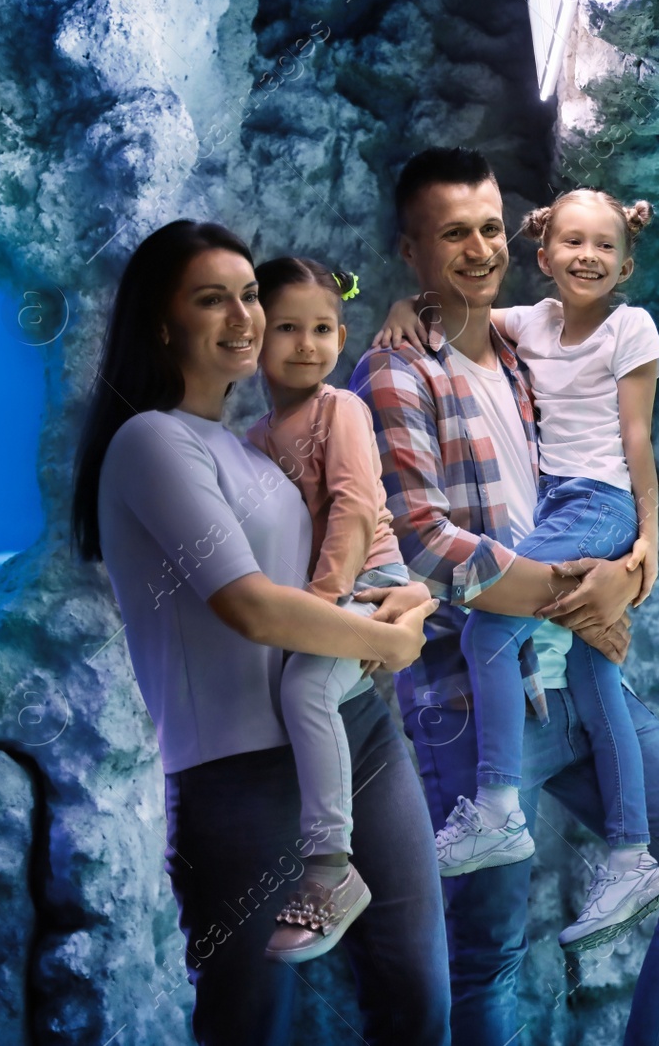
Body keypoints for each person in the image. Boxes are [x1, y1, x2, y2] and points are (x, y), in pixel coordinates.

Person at [352, 147, 659, 1045]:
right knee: (487, 956)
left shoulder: (523, 342)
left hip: (570, 678)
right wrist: (585, 600)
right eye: (452, 233)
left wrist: (631, 575)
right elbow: (428, 541)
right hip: (470, 695)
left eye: (491, 225)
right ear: (410, 250)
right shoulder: (390, 374)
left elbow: (605, 480)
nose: (479, 246)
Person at [71, 220, 449, 1044]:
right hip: (235, 772)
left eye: (250, 295)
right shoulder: (150, 440)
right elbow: (245, 603)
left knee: (418, 990)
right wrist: (386, 643)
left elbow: (353, 534)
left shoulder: (253, 447)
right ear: (160, 323)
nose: (245, 316)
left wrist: (405, 598)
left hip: (354, 732)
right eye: (214, 299)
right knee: (249, 1022)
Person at [373, 188, 659, 952]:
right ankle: (632, 854)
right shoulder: (530, 324)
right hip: (556, 507)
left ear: (627, 261)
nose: (588, 257)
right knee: (595, 675)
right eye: (571, 243)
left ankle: (499, 806)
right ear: (542, 256)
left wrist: (648, 542)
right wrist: (409, 305)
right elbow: (461, 309)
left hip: (599, 503)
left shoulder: (630, 327)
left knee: (485, 631)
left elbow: (638, 441)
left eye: (605, 247)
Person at [241, 255, 418, 963]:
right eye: (287, 328)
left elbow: (353, 507)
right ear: (253, 333)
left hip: (367, 580)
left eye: (321, 328)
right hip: (318, 596)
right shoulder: (253, 440)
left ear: (341, 337)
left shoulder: (340, 408)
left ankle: (330, 867)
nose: (306, 344)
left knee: (307, 685)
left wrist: (319, 608)